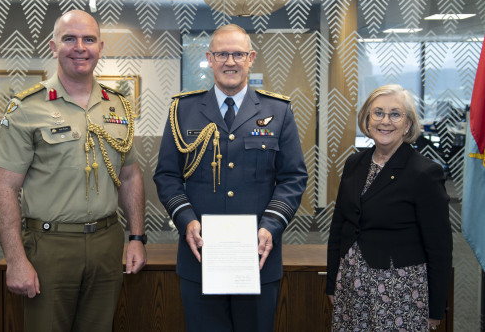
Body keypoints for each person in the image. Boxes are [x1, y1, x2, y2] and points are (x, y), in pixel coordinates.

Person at [0, 9, 147, 332]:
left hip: (106, 243)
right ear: (53, 46)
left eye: (89, 39)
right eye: (69, 39)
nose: (80, 47)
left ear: (101, 47)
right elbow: (2, 189)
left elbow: (130, 176)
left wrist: (136, 237)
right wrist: (16, 261)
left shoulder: (117, 105)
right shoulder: (27, 108)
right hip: (50, 246)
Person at [153, 24, 308, 332]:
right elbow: (167, 175)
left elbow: (293, 177)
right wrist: (187, 221)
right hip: (200, 256)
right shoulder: (182, 110)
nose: (230, 62)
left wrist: (271, 226)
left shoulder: (278, 110)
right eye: (222, 54)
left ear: (250, 58)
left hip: (257, 257)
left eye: (238, 54)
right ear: (209, 59)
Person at [326, 84, 453, 331]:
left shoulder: (425, 173)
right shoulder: (354, 162)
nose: (386, 121)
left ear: (408, 124)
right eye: (378, 113)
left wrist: (436, 307)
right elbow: (339, 227)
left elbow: (439, 248)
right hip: (351, 285)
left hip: (400, 292)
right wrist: (333, 282)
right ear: (367, 119)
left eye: (395, 114)